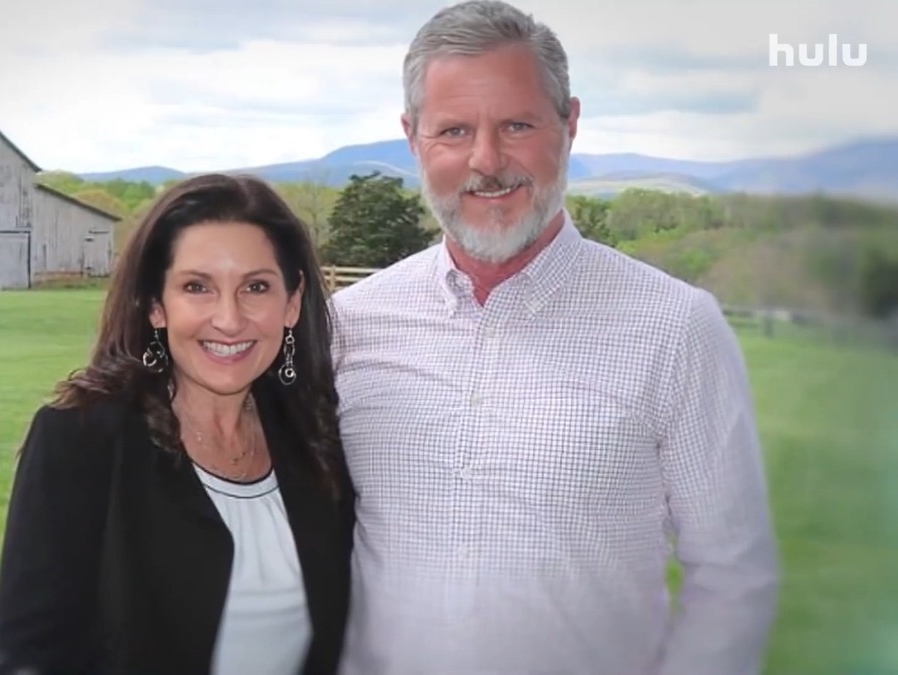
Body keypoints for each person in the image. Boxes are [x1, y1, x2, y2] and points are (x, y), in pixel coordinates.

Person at [330, 2, 780, 674]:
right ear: (413, 137)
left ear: (569, 124)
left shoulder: (676, 327)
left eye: (517, 124)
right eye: (453, 130)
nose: (487, 161)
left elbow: (734, 577)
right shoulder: (351, 323)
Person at [0, 173, 354, 674]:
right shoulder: (81, 439)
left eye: (256, 287)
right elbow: (29, 659)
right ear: (156, 305)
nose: (229, 318)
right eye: (197, 287)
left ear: (292, 303)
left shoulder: (317, 437)